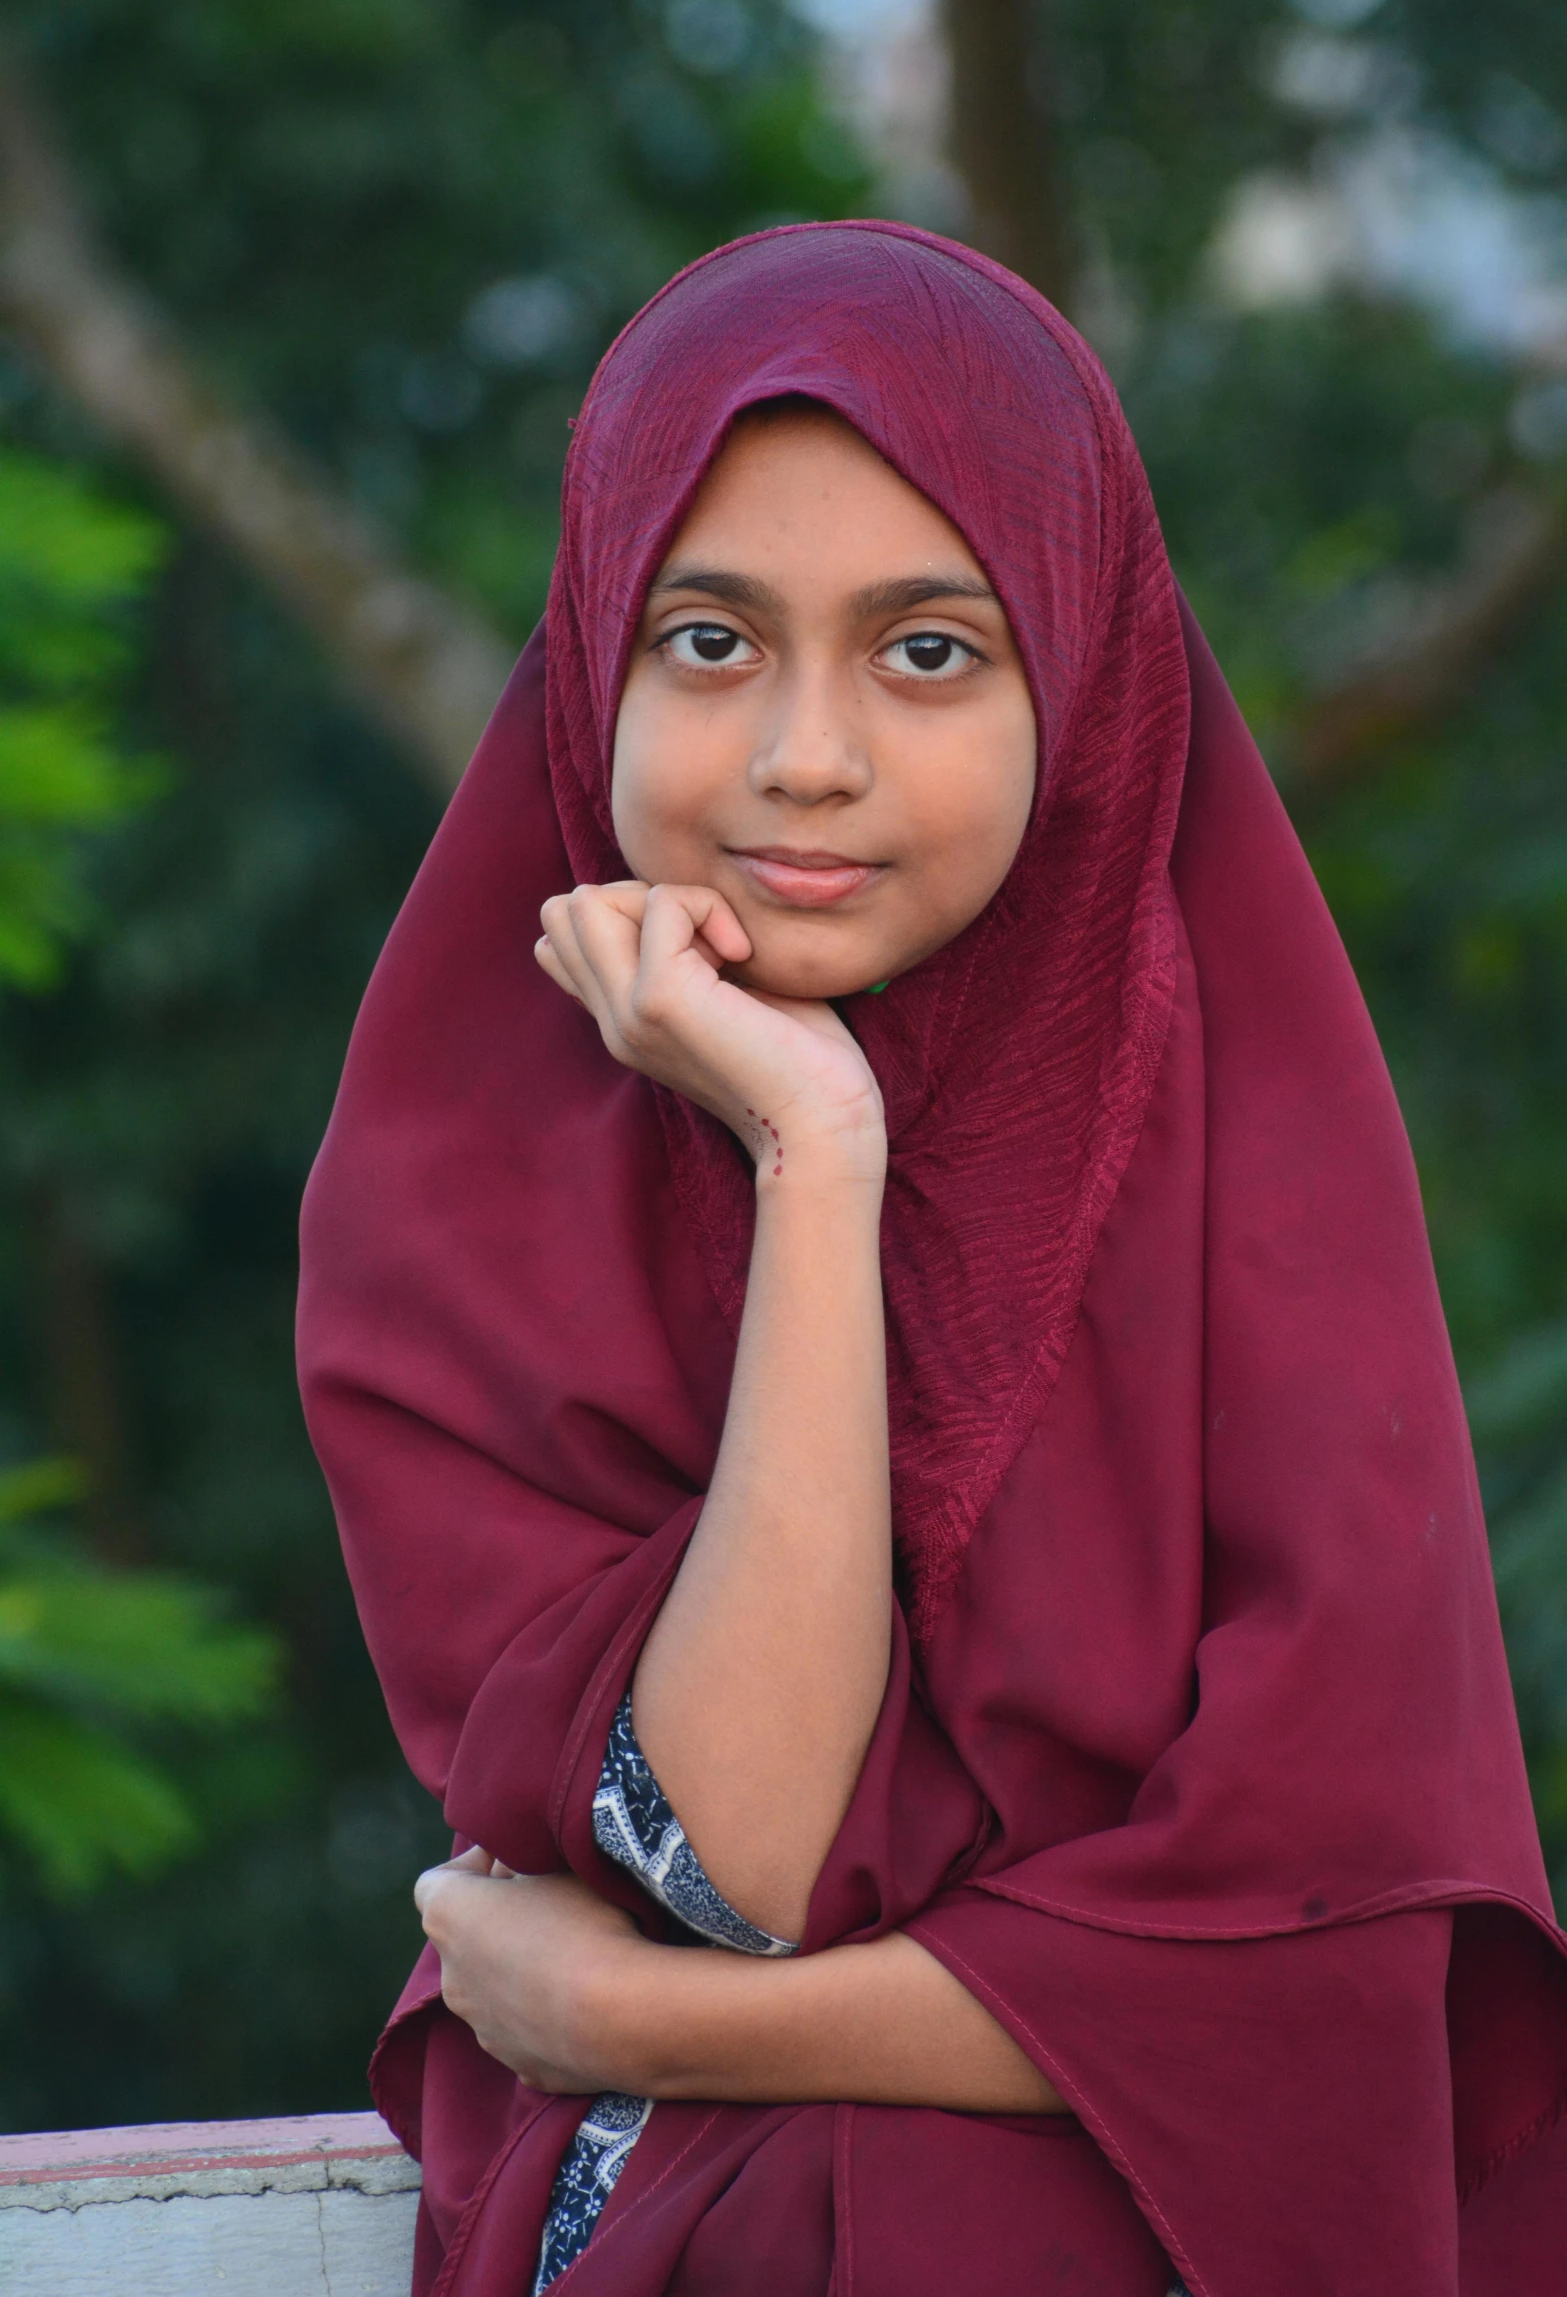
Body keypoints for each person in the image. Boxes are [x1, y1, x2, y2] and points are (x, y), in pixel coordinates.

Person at [297, 222, 1567, 2297]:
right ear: (595, 649)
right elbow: (749, 1860)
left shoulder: (1254, 1156)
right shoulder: (464, 1178)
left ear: (1077, 677)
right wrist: (818, 1154)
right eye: (710, 641)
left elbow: (1332, 1973)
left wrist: (648, 2024)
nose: (808, 754)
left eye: (927, 650)